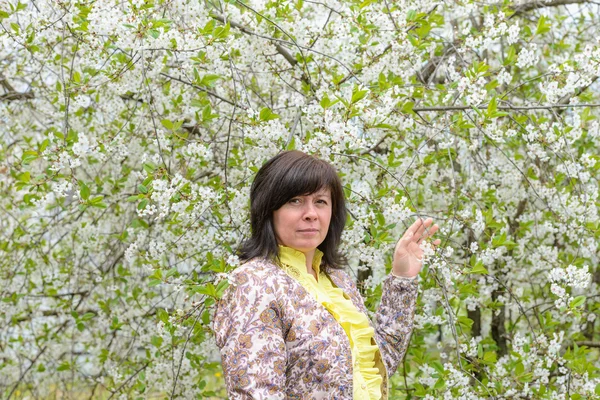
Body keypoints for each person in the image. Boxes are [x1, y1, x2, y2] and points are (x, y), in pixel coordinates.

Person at [212, 150, 440, 399]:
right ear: (269, 209)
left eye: (320, 201)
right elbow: (256, 393)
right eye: (295, 201)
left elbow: (372, 370)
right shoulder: (254, 284)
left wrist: (402, 278)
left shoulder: (336, 280)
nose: (311, 213)